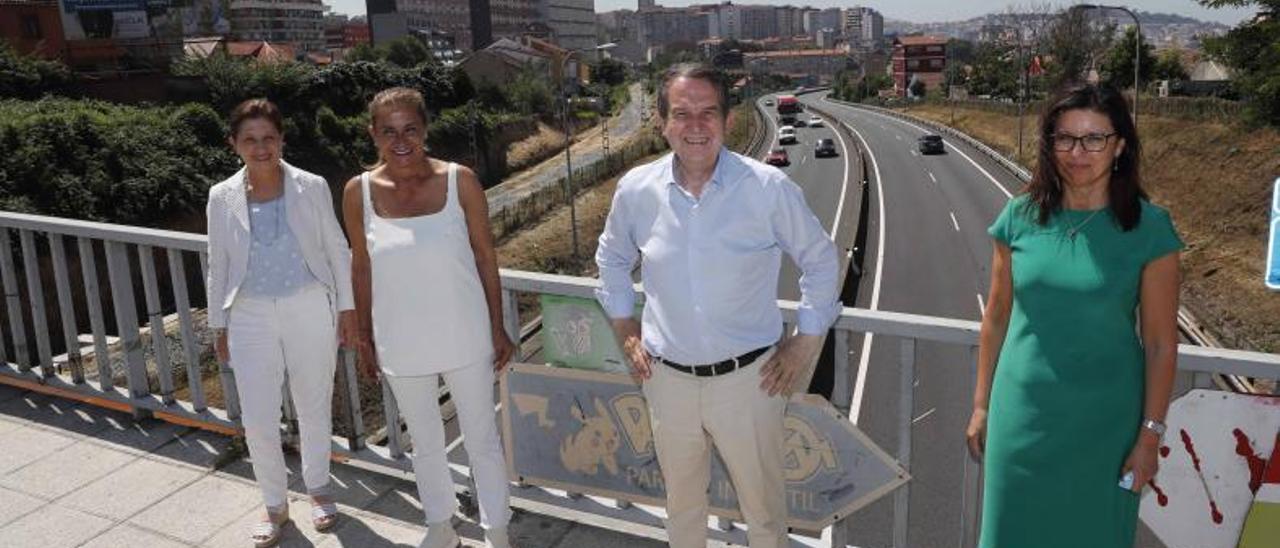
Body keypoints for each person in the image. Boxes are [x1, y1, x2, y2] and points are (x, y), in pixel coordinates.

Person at [595, 63, 841, 548]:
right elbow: (612, 258)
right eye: (682, 114)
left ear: (727, 120)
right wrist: (626, 327)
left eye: (708, 113)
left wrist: (806, 340)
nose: (695, 126)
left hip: (750, 383)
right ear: (662, 122)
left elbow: (822, 259)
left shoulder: (767, 188)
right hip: (666, 382)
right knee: (682, 510)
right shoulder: (636, 191)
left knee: (765, 515)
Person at [967, 83, 1182, 548]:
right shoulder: (1018, 217)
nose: (1077, 152)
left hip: (1106, 431)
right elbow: (997, 319)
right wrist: (982, 406)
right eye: (1064, 138)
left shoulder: (1150, 230)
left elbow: (1163, 345)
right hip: (1020, 420)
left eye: (1094, 139)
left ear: (1120, 145)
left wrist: (1150, 437)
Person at [342, 87, 515, 548]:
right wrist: (364, 336)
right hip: (400, 338)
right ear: (373, 134)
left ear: (425, 130)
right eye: (389, 131)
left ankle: (497, 531)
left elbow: (485, 258)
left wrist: (497, 326)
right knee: (424, 439)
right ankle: (441, 526)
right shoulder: (357, 193)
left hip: (466, 333)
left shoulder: (462, 181)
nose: (401, 140)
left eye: (410, 129)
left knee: (482, 438)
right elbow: (360, 266)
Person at [205, 98, 358, 547]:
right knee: (258, 417)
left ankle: (318, 488)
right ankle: (274, 504)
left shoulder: (310, 186)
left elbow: (336, 248)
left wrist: (346, 309)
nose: (260, 147)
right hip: (249, 314)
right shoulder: (222, 196)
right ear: (234, 144)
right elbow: (217, 264)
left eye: (268, 138)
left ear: (282, 140)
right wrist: (219, 325)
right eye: (249, 139)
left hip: (309, 305)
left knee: (313, 403)